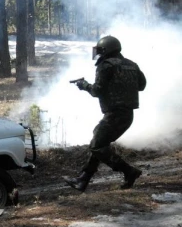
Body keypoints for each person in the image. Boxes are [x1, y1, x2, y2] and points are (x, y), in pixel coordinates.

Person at [63, 35, 146, 192]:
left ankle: (129, 171)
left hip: (115, 115)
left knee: (97, 145)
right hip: (126, 115)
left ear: (107, 50)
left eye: (101, 51)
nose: (99, 54)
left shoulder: (105, 66)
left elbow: (96, 91)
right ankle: (83, 180)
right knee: (99, 142)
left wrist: (84, 85)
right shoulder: (132, 65)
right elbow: (141, 85)